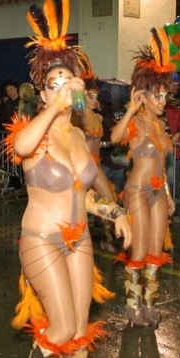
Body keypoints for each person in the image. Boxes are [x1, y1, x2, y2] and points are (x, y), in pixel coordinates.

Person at [7, 0, 130, 358]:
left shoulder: (80, 135)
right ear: (42, 91)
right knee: (58, 325)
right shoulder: (34, 130)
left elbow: (84, 194)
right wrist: (54, 109)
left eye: (68, 78)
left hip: (79, 238)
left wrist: (114, 210)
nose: (62, 86)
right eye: (52, 81)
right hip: (41, 238)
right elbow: (20, 149)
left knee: (79, 329)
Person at [110, 27, 176, 327]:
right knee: (138, 250)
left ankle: (149, 304)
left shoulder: (162, 127)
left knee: (156, 250)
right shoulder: (136, 121)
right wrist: (132, 107)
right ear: (145, 95)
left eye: (165, 96)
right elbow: (114, 137)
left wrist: (170, 194)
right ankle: (132, 305)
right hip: (137, 191)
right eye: (158, 96)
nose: (163, 101)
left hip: (159, 192)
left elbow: (162, 166)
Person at [76, 51, 118, 253]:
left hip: (96, 164)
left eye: (96, 96)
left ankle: (106, 237)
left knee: (109, 199)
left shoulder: (99, 119)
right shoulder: (78, 118)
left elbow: (100, 141)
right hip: (81, 166)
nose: (94, 99)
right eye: (89, 96)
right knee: (76, 204)